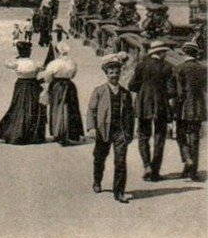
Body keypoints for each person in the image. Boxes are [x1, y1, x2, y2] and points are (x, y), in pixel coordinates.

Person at [87, 54, 135, 203]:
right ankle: (97, 181)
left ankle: (119, 192)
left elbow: (130, 115)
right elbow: (91, 110)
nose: (114, 75)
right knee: (99, 158)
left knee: (120, 161)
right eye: (111, 72)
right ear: (107, 74)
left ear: (120, 73)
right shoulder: (99, 91)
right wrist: (91, 128)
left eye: (117, 72)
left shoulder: (125, 94)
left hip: (120, 131)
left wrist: (129, 133)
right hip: (103, 131)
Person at [128, 40, 176, 182]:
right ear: (159, 53)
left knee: (143, 136)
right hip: (161, 105)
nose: (165, 55)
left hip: (143, 105)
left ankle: (146, 165)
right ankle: (155, 172)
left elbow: (132, 85)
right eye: (164, 52)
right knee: (159, 138)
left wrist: (143, 90)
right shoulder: (166, 68)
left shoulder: (141, 66)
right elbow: (171, 91)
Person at [0, 41, 46, 145]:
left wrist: (16, 58)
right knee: (33, 108)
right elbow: (43, 68)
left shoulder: (16, 63)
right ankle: (33, 135)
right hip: (33, 85)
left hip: (21, 85)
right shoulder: (35, 63)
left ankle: (15, 132)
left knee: (17, 107)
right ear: (29, 52)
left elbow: (6, 63)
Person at [39, 42, 84, 146]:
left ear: (58, 51)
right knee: (70, 107)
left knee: (56, 107)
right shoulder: (72, 63)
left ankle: (58, 131)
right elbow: (73, 75)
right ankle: (71, 132)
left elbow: (48, 77)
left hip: (57, 85)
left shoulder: (54, 63)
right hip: (69, 85)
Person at [174, 41, 206, 181]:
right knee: (194, 138)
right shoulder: (203, 69)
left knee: (181, 135)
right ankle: (192, 171)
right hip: (198, 106)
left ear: (184, 52)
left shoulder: (179, 68)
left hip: (183, 107)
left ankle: (187, 159)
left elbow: (178, 92)